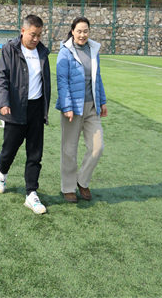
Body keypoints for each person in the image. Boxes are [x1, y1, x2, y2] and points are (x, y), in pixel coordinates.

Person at [0, 15, 51, 215]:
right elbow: (1, 76)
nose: (36, 39)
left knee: (35, 154)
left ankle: (31, 193)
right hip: (15, 108)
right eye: (33, 35)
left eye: (39, 35)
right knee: (9, 150)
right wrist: (4, 102)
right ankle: (2, 172)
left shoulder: (42, 52)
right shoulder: (10, 49)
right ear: (23, 31)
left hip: (36, 109)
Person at [55, 16, 107, 203]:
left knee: (97, 147)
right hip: (72, 108)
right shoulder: (65, 51)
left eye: (86, 31)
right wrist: (67, 106)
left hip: (92, 106)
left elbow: (97, 78)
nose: (83, 35)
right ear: (72, 31)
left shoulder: (93, 50)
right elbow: (62, 81)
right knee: (69, 149)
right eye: (79, 31)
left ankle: (82, 181)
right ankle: (68, 188)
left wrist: (102, 101)